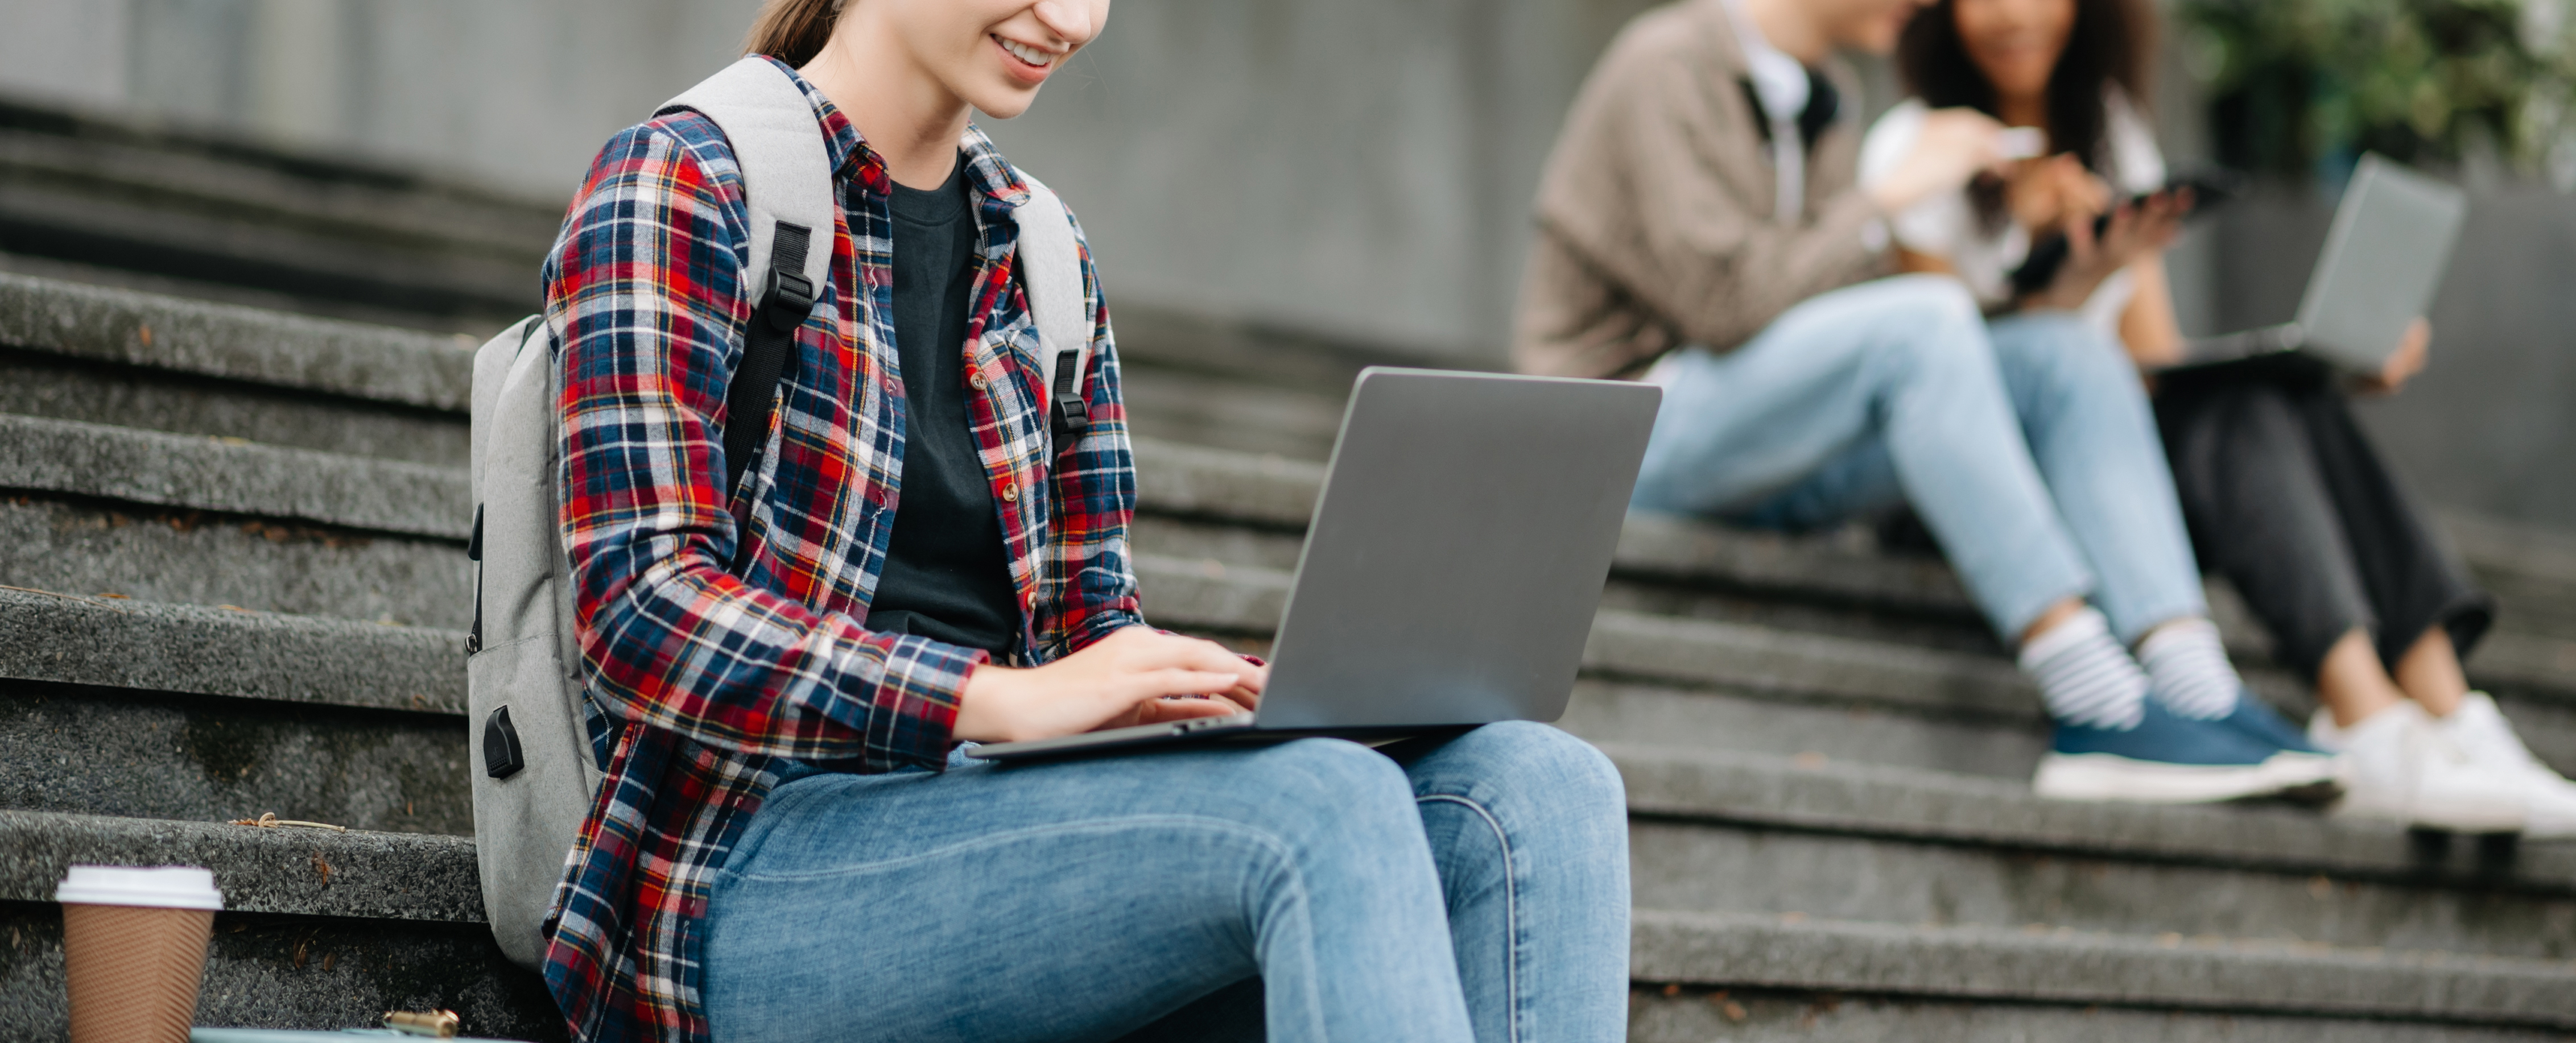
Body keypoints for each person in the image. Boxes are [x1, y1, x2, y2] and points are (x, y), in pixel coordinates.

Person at [540, 1, 1634, 1040]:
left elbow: (1087, 632)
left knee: (1537, 787)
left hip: (996, 833)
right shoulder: (686, 180)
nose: (1070, 23)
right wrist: (992, 698)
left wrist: (1229, 694)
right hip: (743, 872)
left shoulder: (1043, 253)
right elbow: (641, 611)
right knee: (1323, 807)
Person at [1517, 0, 2338, 804]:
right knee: (1924, 322)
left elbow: (1848, 322)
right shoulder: (1666, 62)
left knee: (2062, 352)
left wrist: (2037, 254)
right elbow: (1724, 303)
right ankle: (2092, 693)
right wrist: (1894, 199)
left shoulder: (1825, 87)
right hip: (1620, 440)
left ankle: (2195, 682)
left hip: (1765, 449)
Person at [1867, 0, 2575, 833]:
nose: (2014, 14)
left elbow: (2156, 365)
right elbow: (1941, 376)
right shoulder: (1918, 149)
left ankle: (2447, 713)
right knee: (2239, 410)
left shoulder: (2111, 133)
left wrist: (2325, 374)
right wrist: (2055, 278)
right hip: (1989, 491)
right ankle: (2367, 715)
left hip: (2111, 479)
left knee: (2263, 396)